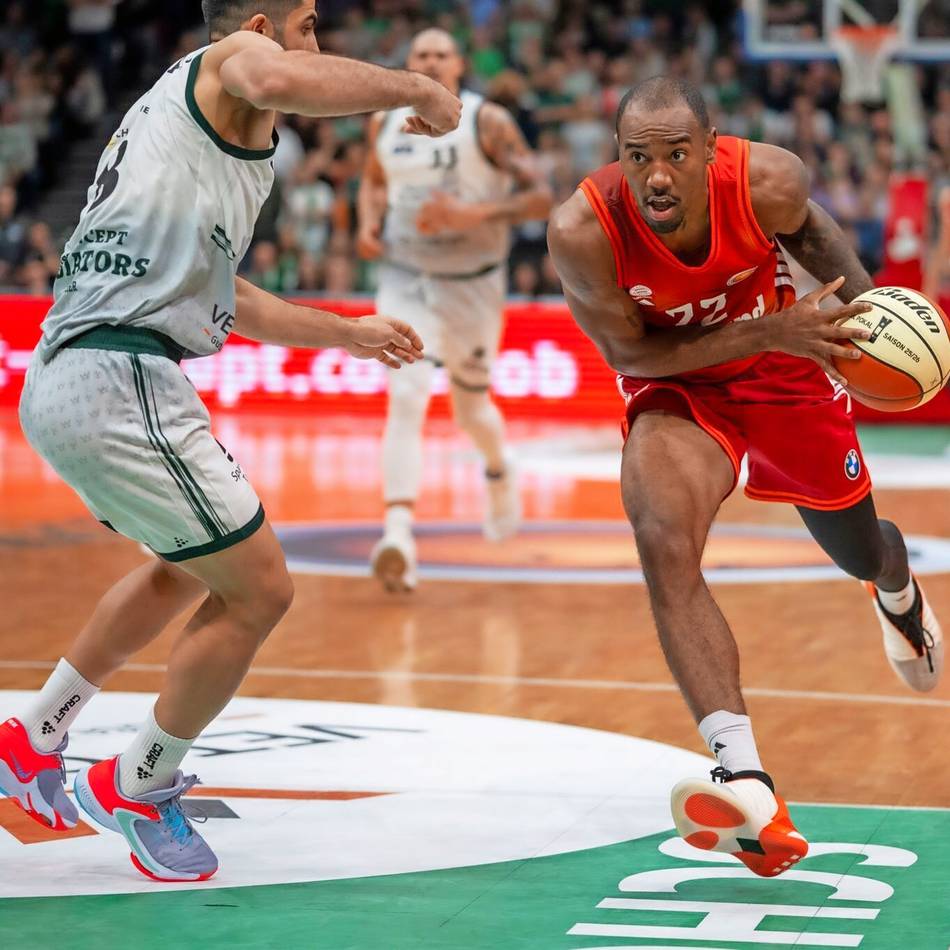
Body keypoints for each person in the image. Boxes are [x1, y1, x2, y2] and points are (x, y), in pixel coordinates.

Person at [1, 0, 460, 882]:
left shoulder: (185, 134)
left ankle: (34, 734)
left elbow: (229, 296)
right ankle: (138, 782)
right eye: (311, 24)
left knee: (189, 566)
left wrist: (346, 332)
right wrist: (416, 87)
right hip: (117, 374)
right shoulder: (236, 62)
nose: (317, 45)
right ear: (260, 23)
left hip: (78, 370)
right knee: (259, 591)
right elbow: (276, 71)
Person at [548, 76, 943, 878]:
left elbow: (828, 251)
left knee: (857, 548)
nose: (655, 175)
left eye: (674, 155)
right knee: (661, 535)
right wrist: (769, 328)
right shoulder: (583, 229)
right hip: (680, 381)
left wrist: (885, 332)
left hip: (788, 364)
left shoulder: (769, 180)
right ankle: (744, 775)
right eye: (637, 158)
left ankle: (894, 583)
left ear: (711, 152)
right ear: (617, 157)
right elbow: (631, 355)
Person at [357, 28, 552, 593]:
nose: (432, 61)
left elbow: (540, 196)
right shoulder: (384, 121)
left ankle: (497, 468)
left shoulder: (488, 121)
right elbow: (373, 183)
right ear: (409, 66)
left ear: (460, 65)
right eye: (421, 55)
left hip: (471, 283)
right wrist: (369, 221)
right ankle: (397, 534)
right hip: (405, 277)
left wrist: (472, 215)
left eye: (442, 54)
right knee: (406, 395)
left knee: (470, 409)